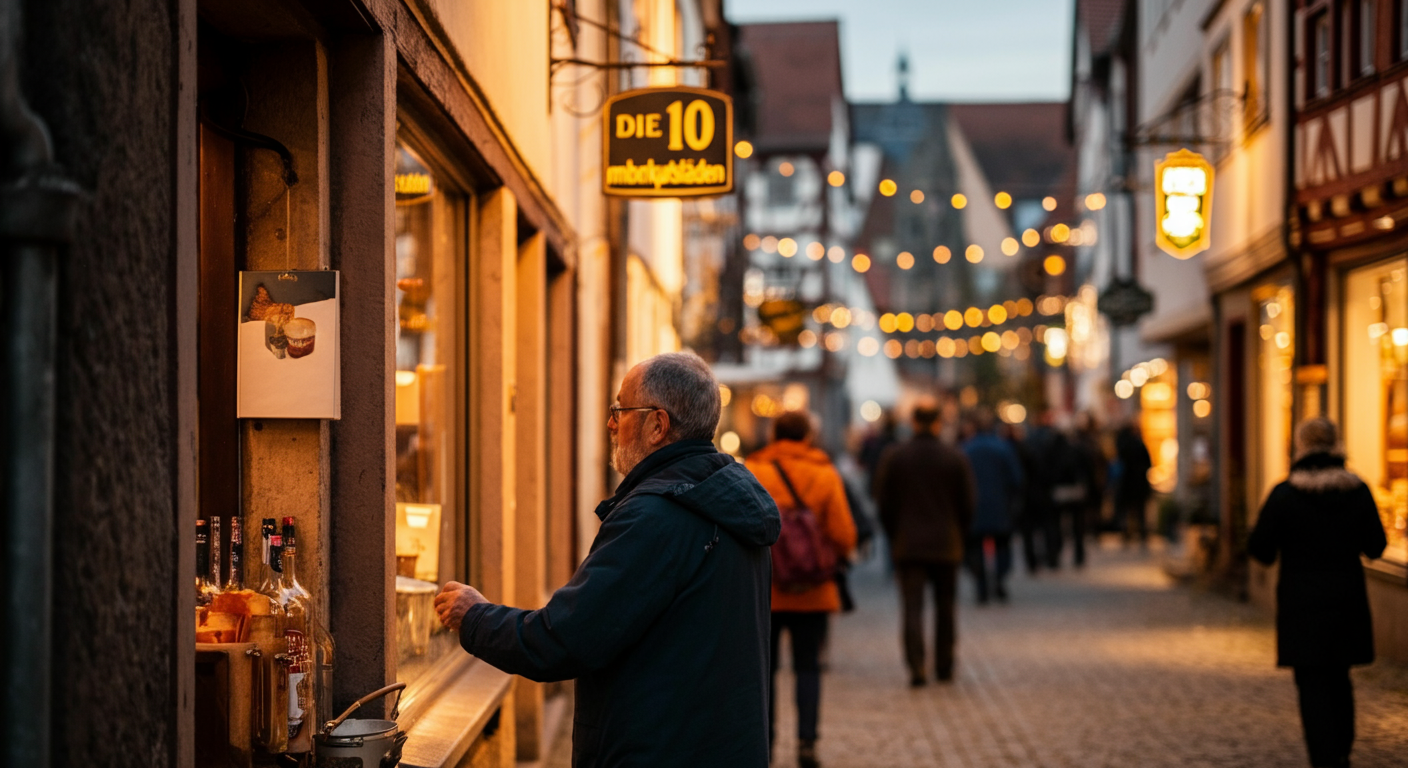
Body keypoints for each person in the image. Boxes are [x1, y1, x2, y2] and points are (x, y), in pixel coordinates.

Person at [433, 352, 781, 768]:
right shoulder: (725, 502)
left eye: (620, 409)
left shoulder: (656, 516)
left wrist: (475, 616)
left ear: (657, 425)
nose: (612, 423)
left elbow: (564, 640)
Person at [1248, 418, 1386, 768]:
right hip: (1346, 599)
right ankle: (1341, 750)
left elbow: (1260, 548)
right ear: (1336, 445)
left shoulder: (1285, 494)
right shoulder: (1357, 491)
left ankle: (1323, 757)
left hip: (1301, 602)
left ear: (1300, 447)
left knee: (1311, 682)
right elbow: (1376, 546)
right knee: (1340, 677)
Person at [745, 411, 856, 768]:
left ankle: (766, 742)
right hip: (813, 589)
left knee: (766, 671)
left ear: (774, 434)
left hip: (766, 589)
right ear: (808, 436)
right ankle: (807, 743)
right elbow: (844, 534)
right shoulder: (824, 474)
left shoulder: (753, 470)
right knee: (808, 666)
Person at [873, 397, 975, 686]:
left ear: (914, 422)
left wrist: (895, 534)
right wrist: (960, 533)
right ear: (939, 423)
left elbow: (883, 503)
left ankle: (916, 666)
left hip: (909, 544)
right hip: (946, 543)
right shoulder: (955, 457)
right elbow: (968, 504)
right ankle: (944, 665)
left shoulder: (895, 457)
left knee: (912, 608)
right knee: (946, 607)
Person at [961, 408, 1024, 603]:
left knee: (976, 547)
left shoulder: (966, 449)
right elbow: (1017, 478)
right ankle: (999, 580)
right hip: (1000, 506)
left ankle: (981, 586)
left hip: (975, 508)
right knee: (1002, 546)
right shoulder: (1003, 448)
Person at [1114, 420, 1153, 546]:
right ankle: (1141, 534)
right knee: (1139, 511)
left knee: (1128, 511)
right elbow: (1149, 463)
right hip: (1137, 483)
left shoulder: (1124, 445)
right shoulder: (1138, 444)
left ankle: (1127, 534)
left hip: (1127, 484)